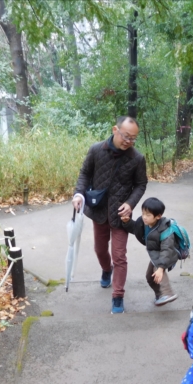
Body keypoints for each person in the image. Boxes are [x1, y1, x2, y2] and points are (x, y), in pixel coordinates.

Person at [72, 116, 148, 314]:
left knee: (119, 256)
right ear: (115, 129)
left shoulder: (137, 158)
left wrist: (130, 204)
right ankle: (106, 269)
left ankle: (118, 296)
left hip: (121, 215)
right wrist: (79, 195)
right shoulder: (96, 150)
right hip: (99, 211)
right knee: (99, 249)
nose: (128, 141)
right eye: (126, 136)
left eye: (133, 138)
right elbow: (85, 174)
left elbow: (141, 184)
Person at [120, 197, 178, 306]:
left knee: (158, 269)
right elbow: (135, 229)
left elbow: (167, 249)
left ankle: (168, 293)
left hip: (169, 253)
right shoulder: (143, 223)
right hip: (155, 254)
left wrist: (161, 268)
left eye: (148, 215)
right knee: (150, 277)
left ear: (158, 216)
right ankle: (160, 295)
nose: (144, 217)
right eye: (143, 213)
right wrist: (127, 222)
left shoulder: (165, 229)